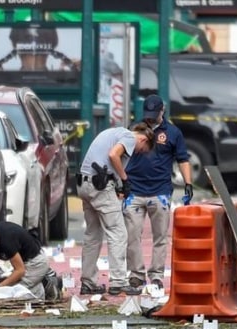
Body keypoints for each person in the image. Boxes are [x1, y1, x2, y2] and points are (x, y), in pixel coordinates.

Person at [77, 122, 155, 296]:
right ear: (143, 139)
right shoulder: (128, 137)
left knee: (93, 234)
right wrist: (125, 179)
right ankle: (118, 282)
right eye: (142, 149)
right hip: (99, 186)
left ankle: (88, 282)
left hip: (84, 183)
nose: (137, 152)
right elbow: (114, 155)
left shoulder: (112, 131)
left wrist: (118, 186)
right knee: (118, 233)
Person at [124, 95, 193, 290]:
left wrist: (188, 183)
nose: (150, 118)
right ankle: (136, 275)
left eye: (154, 115)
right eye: (148, 115)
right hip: (134, 191)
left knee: (160, 237)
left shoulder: (173, 133)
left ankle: (156, 276)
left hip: (160, 192)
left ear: (163, 111)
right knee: (132, 236)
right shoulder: (133, 130)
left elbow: (183, 159)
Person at [0, 218, 61, 300]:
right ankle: (38, 282)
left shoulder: (6, 241)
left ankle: (47, 284)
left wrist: (0, 287)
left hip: (35, 263)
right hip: (23, 263)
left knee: (14, 295)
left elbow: (20, 271)